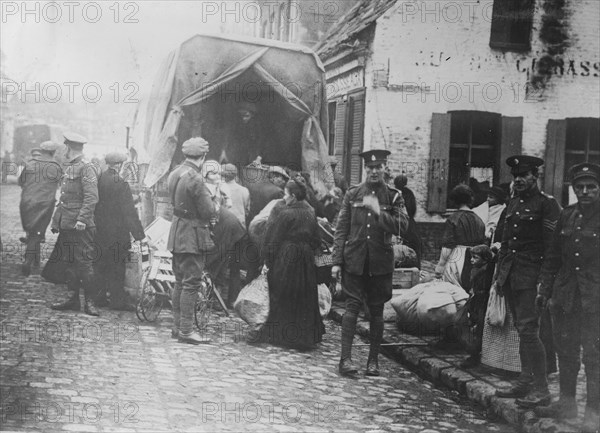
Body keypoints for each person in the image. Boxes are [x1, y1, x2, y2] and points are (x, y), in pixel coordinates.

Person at [534, 163, 600, 432]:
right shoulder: (567, 215)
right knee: (567, 351)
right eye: (579, 187)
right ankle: (567, 403)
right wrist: (544, 290)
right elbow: (553, 257)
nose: (585, 191)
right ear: (573, 189)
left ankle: (593, 413)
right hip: (565, 296)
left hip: (595, 298)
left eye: (591, 187)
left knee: (594, 356)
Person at [331, 149, 408, 377]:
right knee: (351, 308)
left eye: (378, 167)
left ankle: (373, 361)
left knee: (376, 311)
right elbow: (341, 228)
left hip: (380, 263)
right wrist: (336, 261)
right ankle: (345, 360)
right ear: (366, 169)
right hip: (354, 260)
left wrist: (378, 213)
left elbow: (403, 227)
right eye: (370, 168)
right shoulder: (353, 194)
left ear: (385, 168)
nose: (374, 171)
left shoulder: (394, 197)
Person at [494, 155, 562, 408]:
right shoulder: (512, 203)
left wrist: (544, 285)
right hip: (512, 275)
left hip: (531, 277)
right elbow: (505, 242)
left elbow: (553, 249)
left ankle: (541, 388)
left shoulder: (547, 205)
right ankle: (525, 380)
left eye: (524, 175)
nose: (519, 180)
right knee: (523, 331)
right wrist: (500, 277)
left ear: (536, 176)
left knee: (530, 332)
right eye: (515, 176)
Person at [261, 176, 324, 350]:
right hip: (305, 257)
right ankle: (304, 337)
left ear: (294, 196)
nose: (284, 198)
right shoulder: (311, 211)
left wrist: (267, 261)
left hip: (286, 255)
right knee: (305, 294)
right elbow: (317, 240)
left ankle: (283, 336)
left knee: (283, 291)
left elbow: (273, 239)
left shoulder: (285, 213)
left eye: (286, 195)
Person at [167, 137, 216, 344]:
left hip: (177, 231)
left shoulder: (175, 173)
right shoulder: (196, 178)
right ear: (203, 157)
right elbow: (208, 211)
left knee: (180, 281)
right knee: (191, 283)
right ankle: (186, 331)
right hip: (192, 235)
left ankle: (177, 327)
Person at [48, 132, 100, 316]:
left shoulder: (87, 168)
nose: (64, 152)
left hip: (81, 226)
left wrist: (81, 220)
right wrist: (57, 221)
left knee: (84, 264)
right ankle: (73, 299)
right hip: (68, 224)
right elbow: (64, 199)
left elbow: (91, 197)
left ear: (69, 148)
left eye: (65, 149)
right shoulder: (71, 167)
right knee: (70, 263)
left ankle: (91, 302)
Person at [93, 152, 145, 311]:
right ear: (119, 165)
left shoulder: (98, 179)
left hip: (100, 231)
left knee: (100, 264)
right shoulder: (121, 183)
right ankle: (117, 301)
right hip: (117, 233)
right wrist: (139, 235)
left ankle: (99, 298)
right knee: (116, 267)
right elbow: (128, 212)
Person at [18, 141, 62, 276]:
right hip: (45, 204)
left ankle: (35, 259)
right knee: (37, 232)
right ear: (53, 152)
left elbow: (21, 182)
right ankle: (28, 261)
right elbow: (61, 184)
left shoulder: (30, 164)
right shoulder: (56, 167)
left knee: (34, 232)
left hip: (26, 203)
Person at [435, 185, 486, 290]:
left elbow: (447, 245)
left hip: (457, 258)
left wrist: (440, 265)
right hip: (476, 258)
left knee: (455, 291)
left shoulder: (453, 218)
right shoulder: (479, 219)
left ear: (455, 200)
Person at [460, 244, 495, 368]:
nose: (472, 260)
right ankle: (472, 351)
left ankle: (475, 355)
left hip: (482, 302)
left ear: (485, 259)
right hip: (475, 301)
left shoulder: (486, 270)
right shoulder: (475, 269)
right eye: (472, 257)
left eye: (475, 258)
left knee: (479, 329)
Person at [394, 174, 422, 268]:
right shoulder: (409, 193)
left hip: (397, 222)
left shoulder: (394, 193)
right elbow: (412, 210)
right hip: (409, 223)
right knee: (414, 245)